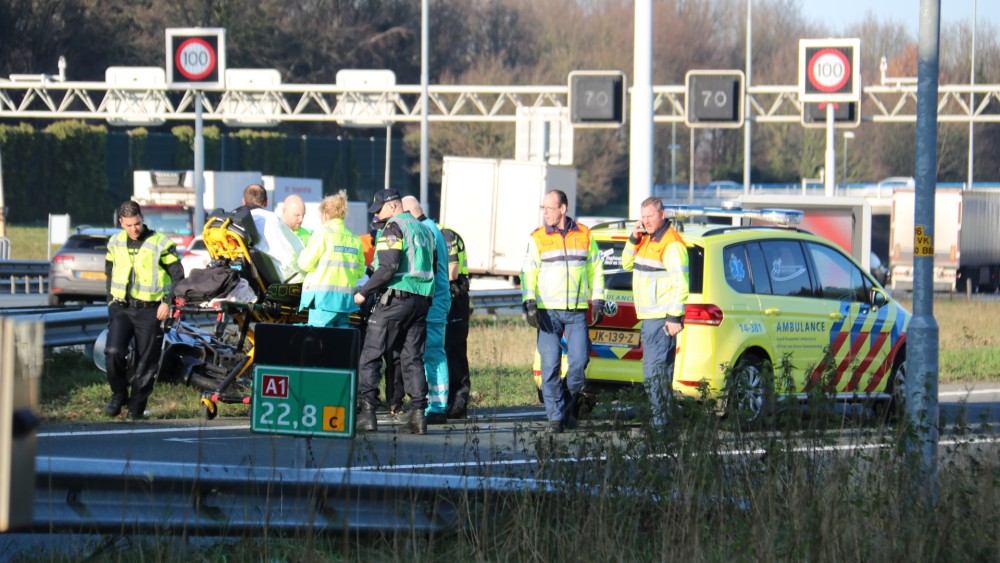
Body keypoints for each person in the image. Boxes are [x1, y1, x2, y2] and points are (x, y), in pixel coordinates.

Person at [520, 190, 605, 433]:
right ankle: (555, 417)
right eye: (543, 208)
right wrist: (529, 303)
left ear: (563, 209)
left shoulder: (585, 234)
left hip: (576, 311)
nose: (545, 213)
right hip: (547, 312)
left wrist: (598, 300)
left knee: (579, 362)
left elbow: (596, 269)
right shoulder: (537, 238)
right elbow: (527, 273)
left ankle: (567, 399)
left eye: (549, 208)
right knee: (550, 366)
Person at [354, 189, 436, 434]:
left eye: (379, 209)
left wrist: (364, 292)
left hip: (396, 299)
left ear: (392, 206)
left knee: (370, 354)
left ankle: (367, 412)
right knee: (412, 358)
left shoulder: (393, 228)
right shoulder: (424, 229)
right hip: (421, 302)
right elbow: (435, 266)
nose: (378, 214)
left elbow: (388, 267)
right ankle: (418, 415)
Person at [104, 200, 185, 420]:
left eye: (137, 224)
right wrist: (110, 300)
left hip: (150, 310)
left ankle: (136, 408)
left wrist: (167, 302)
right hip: (121, 308)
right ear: (121, 222)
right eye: (129, 225)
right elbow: (109, 272)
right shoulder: (114, 242)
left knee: (146, 362)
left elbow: (178, 276)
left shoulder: (160, 243)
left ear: (142, 218)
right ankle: (119, 393)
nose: (134, 229)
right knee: (112, 352)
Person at [621, 196, 689, 429]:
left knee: (654, 374)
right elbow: (626, 265)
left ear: (662, 214)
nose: (646, 221)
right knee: (658, 373)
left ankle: (661, 425)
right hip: (650, 317)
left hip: (661, 319)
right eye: (643, 217)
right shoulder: (646, 239)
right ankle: (666, 422)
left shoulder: (671, 244)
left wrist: (673, 316)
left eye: (650, 216)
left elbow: (681, 283)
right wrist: (633, 239)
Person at [401, 196, 451, 424]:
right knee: (432, 353)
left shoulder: (424, 231)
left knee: (432, 353)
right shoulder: (432, 228)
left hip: (433, 301)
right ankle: (436, 403)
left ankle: (437, 405)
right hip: (437, 299)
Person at [296, 190, 365, 328]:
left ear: (326, 214)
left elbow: (304, 263)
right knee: (339, 344)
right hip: (345, 303)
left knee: (319, 344)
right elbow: (360, 272)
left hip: (323, 302)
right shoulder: (355, 239)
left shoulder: (322, 234)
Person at [438, 224, 471, 419]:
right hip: (446, 295)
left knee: (454, 349)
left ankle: (458, 404)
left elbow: (452, 273)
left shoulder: (445, 234)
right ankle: (446, 400)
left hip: (455, 294)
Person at [240, 184, 304, 282]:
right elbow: (294, 254)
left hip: (240, 276)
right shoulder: (271, 220)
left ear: (244, 201)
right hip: (267, 282)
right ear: (266, 202)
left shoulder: (231, 221)